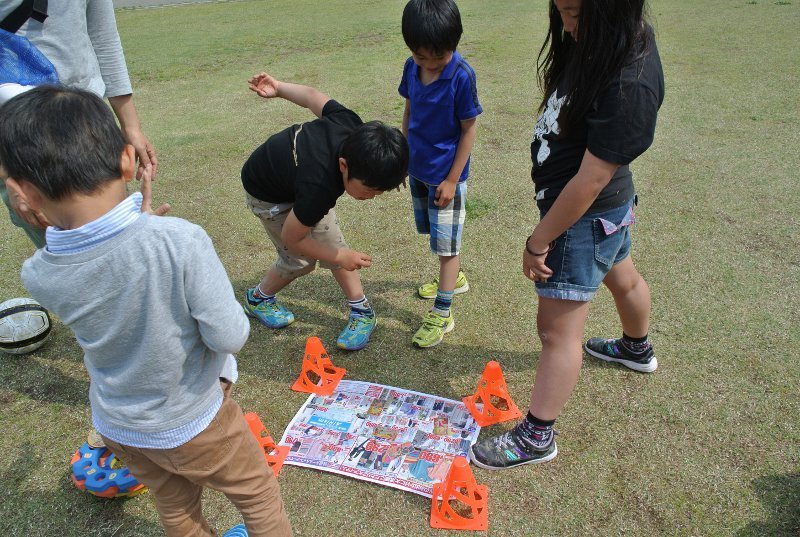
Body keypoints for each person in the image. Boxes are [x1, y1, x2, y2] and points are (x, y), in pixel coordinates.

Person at [0, 86, 292, 536]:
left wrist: (139, 230)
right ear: (126, 159)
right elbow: (229, 336)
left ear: (21, 193)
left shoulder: (38, 273)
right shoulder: (178, 240)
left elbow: (107, 270)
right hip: (195, 419)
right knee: (257, 496)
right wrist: (147, 230)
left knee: (176, 510)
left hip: (120, 426)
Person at [470, 0, 664, 470]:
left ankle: (538, 435)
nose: (568, 23)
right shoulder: (612, 39)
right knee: (625, 277)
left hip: (581, 217)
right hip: (608, 215)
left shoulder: (629, 80)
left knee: (558, 334)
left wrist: (539, 240)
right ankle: (637, 349)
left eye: (577, 12)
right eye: (562, 9)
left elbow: (591, 179)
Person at [241, 72, 408, 351]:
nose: (372, 197)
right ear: (344, 165)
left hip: (293, 179)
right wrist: (340, 256)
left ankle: (361, 311)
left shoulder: (352, 126)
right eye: (369, 190)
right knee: (300, 261)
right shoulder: (319, 186)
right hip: (269, 196)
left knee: (331, 242)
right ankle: (258, 298)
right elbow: (293, 238)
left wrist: (279, 87)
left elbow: (312, 97)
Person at [0, 0, 157, 248]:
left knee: (118, 243)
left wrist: (131, 126)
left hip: (89, 123)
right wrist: (10, 171)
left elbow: (103, 35)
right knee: (68, 253)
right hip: (20, 133)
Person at [399, 0, 482, 348]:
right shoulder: (410, 67)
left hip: (446, 175)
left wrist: (452, 179)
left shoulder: (461, 76)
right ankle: (455, 278)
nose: (430, 64)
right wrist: (401, 156)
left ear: (454, 44)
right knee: (436, 236)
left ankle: (443, 311)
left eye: (439, 57)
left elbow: (469, 129)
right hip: (418, 168)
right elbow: (408, 109)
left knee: (447, 246)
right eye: (422, 57)